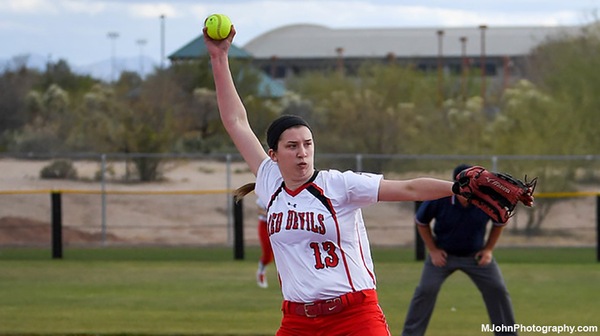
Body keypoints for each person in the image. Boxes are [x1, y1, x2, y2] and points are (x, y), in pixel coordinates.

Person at [204, 25, 457, 336]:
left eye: (308, 144)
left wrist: (457, 189)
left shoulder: (340, 184)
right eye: (292, 146)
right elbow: (236, 121)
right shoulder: (270, 180)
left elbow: (408, 188)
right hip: (297, 320)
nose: (302, 153)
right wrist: (219, 57)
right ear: (273, 153)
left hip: (354, 315)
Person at [402, 164, 517, 336]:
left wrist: (488, 250)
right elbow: (421, 221)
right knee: (426, 290)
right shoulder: (440, 197)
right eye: (467, 183)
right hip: (443, 255)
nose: (472, 188)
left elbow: (500, 222)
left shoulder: (486, 200)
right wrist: (433, 250)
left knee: (497, 289)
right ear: (456, 184)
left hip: (475, 256)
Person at [256, 198, 273, 288]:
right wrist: (271, 213)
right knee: (267, 255)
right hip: (265, 224)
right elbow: (259, 210)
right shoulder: (264, 193)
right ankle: (261, 272)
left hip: (278, 224)